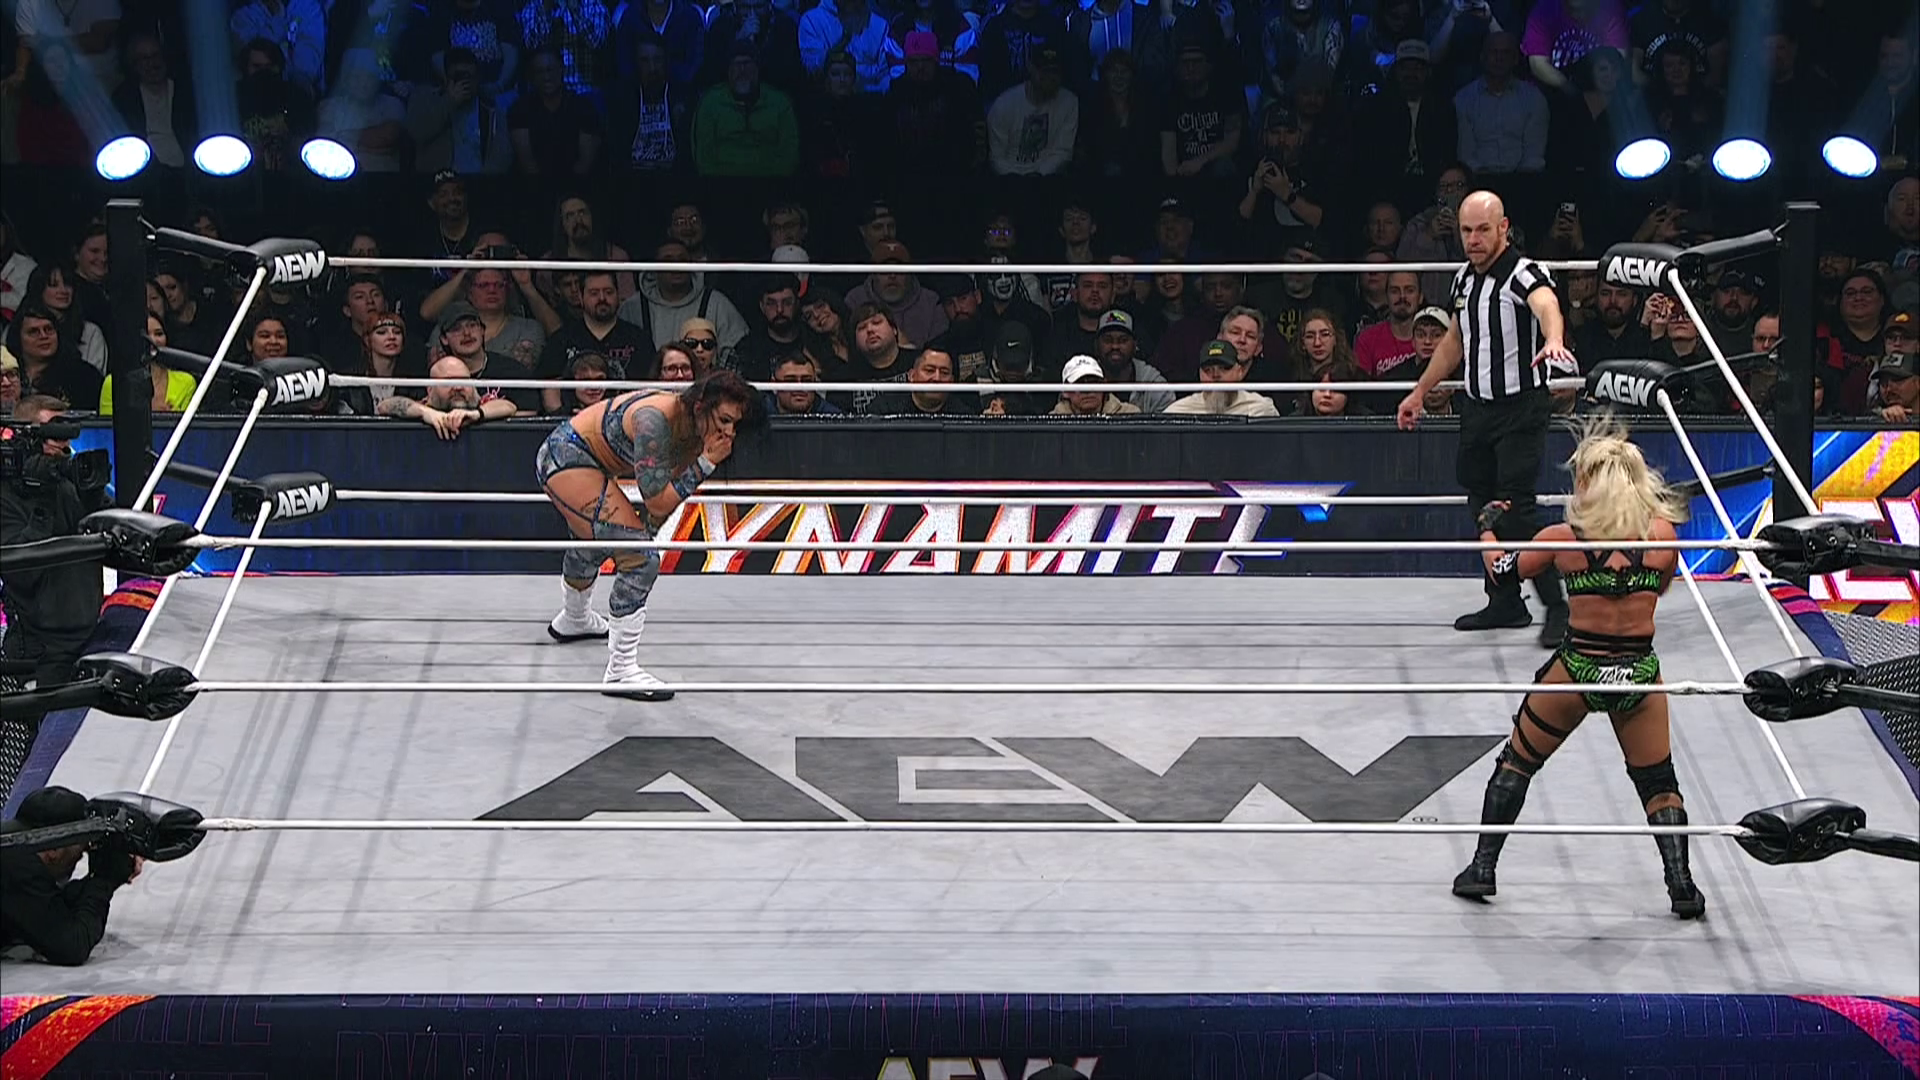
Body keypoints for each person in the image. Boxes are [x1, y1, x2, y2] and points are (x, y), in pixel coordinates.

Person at [1453, 416, 1704, 920]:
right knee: (1659, 784)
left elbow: (1502, 573)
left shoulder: (1564, 539)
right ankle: (1681, 885)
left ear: (1588, 482)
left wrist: (1486, 526)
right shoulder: (1662, 537)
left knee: (1517, 761)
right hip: (1636, 672)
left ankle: (1482, 868)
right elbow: (1659, 589)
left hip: (1579, 668)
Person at [1397, 190, 1574, 646]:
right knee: (1481, 504)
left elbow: (1546, 304)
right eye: (1466, 231)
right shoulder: (1463, 279)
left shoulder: (1523, 272)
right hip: (1477, 409)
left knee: (1515, 510)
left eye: (1482, 230)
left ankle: (1558, 605)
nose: (1473, 240)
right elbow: (1455, 341)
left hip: (1520, 408)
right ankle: (1505, 601)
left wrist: (1553, 339)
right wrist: (1420, 391)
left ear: (1503, 228)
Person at [535, 370, 762, 700]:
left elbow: (662, 503)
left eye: (735, 425)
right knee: (640, 560)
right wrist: (706, 463)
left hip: (590, 464)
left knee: (601, 539)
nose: (728, 433)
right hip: (564, 457)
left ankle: (575, 618)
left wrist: (641, 534)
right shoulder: (654, 420)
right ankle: (621, 670)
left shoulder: (692, 428)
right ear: (701, 405)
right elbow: (657, 500)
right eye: (724, 420)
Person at [0, 786, 142, 965]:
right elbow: (73, 947)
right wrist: (104, 880)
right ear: (54, 849)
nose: (84, 852)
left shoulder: (13, 848)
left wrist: (104, 876)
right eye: (81, 844)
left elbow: (48, 907)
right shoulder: (19, 868)